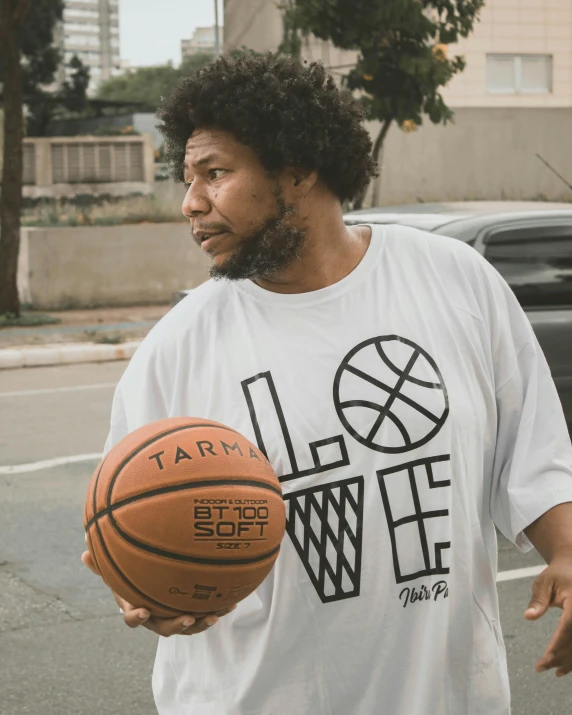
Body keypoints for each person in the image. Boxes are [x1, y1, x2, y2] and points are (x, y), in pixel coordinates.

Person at [82, 53, 572, 715]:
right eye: (187, 177)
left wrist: (568, 552)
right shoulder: (177, 349)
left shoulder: (453, 279)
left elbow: (534, 456)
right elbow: (134, 523)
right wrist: (153, 595)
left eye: (215, 173)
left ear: (298, 168)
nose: (190, 202)